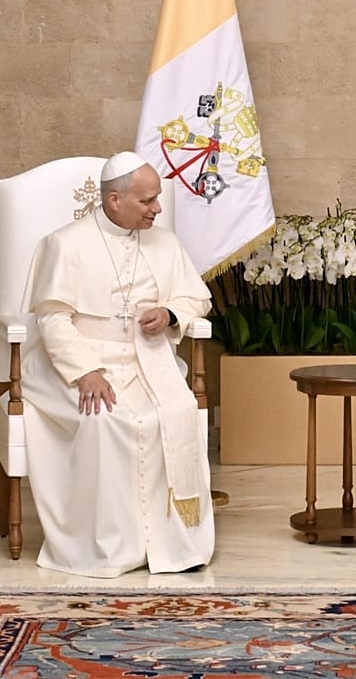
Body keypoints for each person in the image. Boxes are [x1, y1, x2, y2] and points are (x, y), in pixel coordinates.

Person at [18, 151, 216, 576]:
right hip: (78, 362)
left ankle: (169, 544)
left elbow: (198, 297)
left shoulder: (165, 242)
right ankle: (110, 546)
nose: (157, 209)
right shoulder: (63, 243)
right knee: (107, 419)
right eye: (147, 201)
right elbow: (53, 319)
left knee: (175, 412)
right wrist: (86, 371)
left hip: (147, 360)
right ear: (113, 200)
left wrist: (169, 314)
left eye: (156, 199)